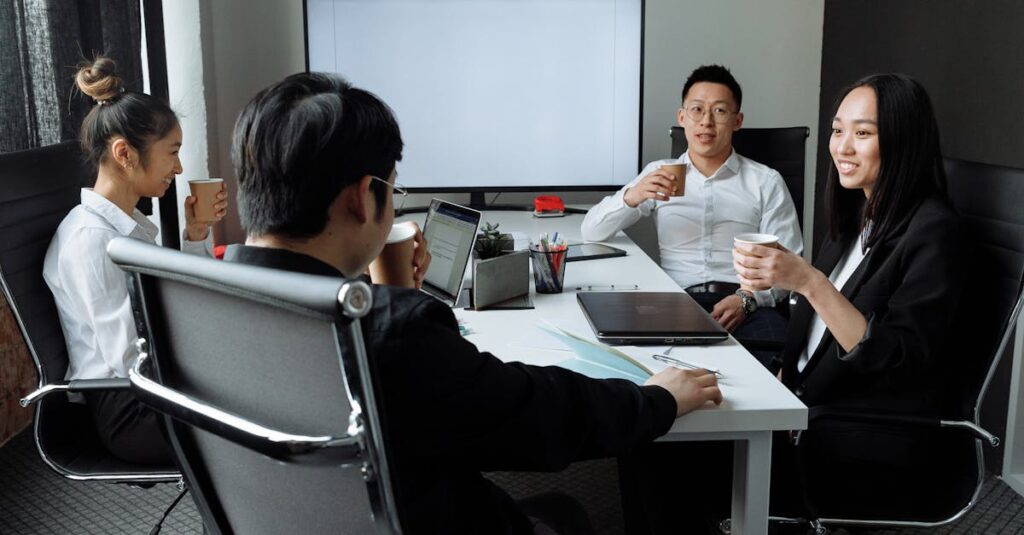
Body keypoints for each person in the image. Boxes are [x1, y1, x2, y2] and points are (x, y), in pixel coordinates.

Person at [225, 71, 724, 535]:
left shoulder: (202, 306)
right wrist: (654, 398)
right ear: (362, 197)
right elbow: (538, 416)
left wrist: (392, 303)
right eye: (394, 188)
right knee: (566, 514)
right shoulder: (395, 332)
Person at [622, 73, 967, 533]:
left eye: (862, 133)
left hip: (850, 435)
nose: (842, 147)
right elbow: (811, 330)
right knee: (645, 427)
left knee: (654, 445)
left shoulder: (932, 232)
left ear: (905, 140)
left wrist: (808, 281)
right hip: (802, 402)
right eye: (838, 130)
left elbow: (897, 361)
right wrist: (786, 370)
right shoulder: (858, 219)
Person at [43, 57, 228, 465]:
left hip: (154, 389)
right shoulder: (93, 239)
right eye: (172, 153)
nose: (178, 168)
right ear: (125, 153)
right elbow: (131, 357)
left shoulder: (127, 229)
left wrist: (196, 233)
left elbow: (173, 303)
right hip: (131, 411)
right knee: (258, 419)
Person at [581, 65, 802, 363]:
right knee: (640, 365)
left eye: (720, 111)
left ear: (737, 121)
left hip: (747, 304)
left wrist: (746, 299)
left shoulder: (766, 181)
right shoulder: (660, 173)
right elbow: (591, 231)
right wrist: (632, 196)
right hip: (676, 301)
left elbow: (791, 266)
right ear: (682, 117)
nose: (706, 122)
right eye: (697, 110)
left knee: (783, 363)